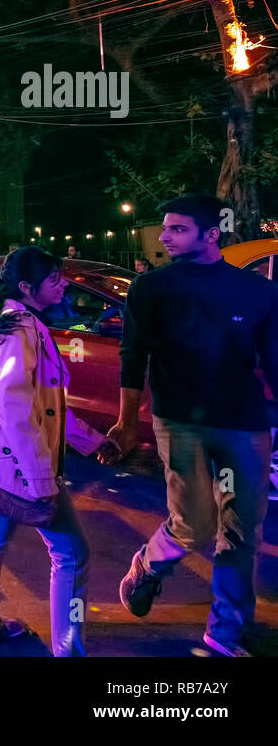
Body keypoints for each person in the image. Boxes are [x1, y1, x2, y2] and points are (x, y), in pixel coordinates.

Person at [108, 193, 278, 657]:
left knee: (244, 530)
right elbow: (132, 356)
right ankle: (147, 565)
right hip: (179, 419)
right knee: (194, 525)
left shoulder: (256, 291)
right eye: (165, 228)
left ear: (210, 234)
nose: (163, 236)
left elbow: (273, 360)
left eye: (176, 229)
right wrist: (125, 423)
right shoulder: (152, 288)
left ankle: (225, 633)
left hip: (244, 422)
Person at [0, 246, 120, 655]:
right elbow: (17, 409)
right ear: (26, 287)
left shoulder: (19, 323)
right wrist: (40, 479)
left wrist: (91, 440)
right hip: (19, 462)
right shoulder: (20, 330)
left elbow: (44, 403)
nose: (63, 283)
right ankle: (68, 650)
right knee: (72, 555)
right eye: (54, 279)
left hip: (0, 458)